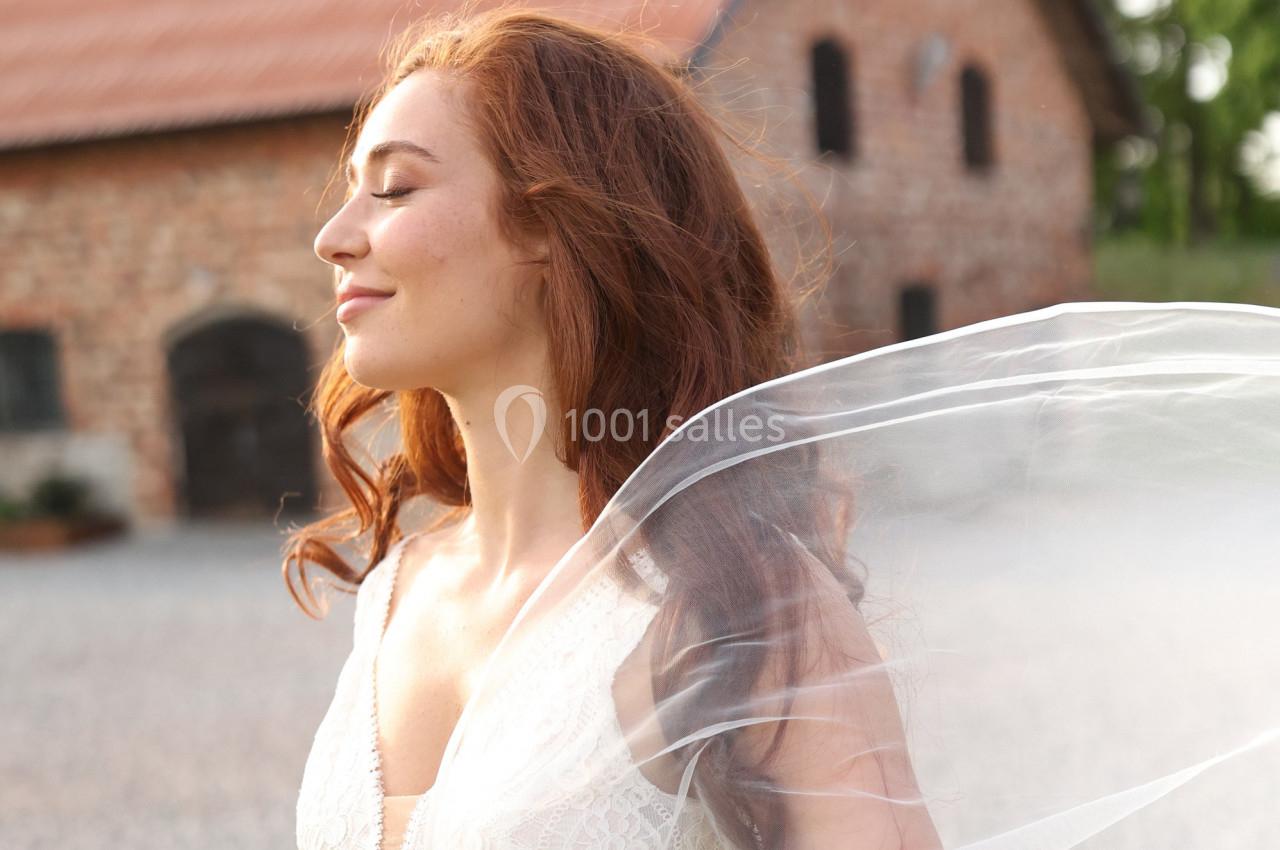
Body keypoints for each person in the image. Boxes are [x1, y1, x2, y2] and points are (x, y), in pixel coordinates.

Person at [289, 5, 1280, 850]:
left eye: (396, 186)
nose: (335, 237)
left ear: (554, 226)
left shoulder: (731, 606)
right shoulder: (394, 595)